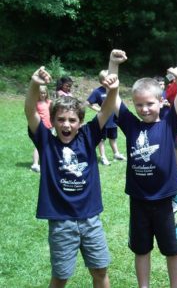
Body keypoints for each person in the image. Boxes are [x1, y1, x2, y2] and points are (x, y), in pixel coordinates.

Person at [25, 49, 127, 288]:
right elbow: (30, 111)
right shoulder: (46, 142)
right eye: (60, 120)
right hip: (61, 223)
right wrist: (34, 84)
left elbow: (107, 108)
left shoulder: (88, 136)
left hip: (91, 219)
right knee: (60, 277)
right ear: (53, 122)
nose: (66, 124)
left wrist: (112, 73)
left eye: (72, 120)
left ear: (80, 123)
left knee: (100, 271)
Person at [112, 40, 177, 288]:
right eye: (139, 104)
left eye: (150, 103)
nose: (144, 109)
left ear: (161, 102)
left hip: (167, 200)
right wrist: (113, 65)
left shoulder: (169, 123)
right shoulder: (131, 124)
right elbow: (113, 94)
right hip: (139, 200)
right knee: (141, 250)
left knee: (173, 250)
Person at [86, 70, 126, 166]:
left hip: (113, 119)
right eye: (106, 78)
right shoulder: (97, 91)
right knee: (101, 139)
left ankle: (116, 153)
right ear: (101, 81)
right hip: (103, 120)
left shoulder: (114, 90)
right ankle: (103, 157)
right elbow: (88, 103)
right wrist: (98, 110)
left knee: (113, 137)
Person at [30, 84, 52, 173]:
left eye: (44, 93)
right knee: (38, 145)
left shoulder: (49, 102)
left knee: (47, 145)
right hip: (40, 127)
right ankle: (35, 164)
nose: (42, 95)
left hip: (50, 126)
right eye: (40, 93)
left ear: (47, 93)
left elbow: (52, 113)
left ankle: (45, 162)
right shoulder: (36, 103)